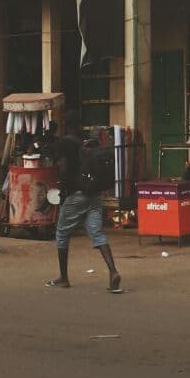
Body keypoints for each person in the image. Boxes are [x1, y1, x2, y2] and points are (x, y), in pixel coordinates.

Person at [46, 113, 122, 293]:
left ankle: (63, 277)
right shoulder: (86, 142)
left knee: (62, 233)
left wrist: (62, 188)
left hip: (76, 194)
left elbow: (64, 169)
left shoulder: (66, 143)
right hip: (94, 194)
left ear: (66, 124)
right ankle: (113, 271)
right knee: (97, 233)